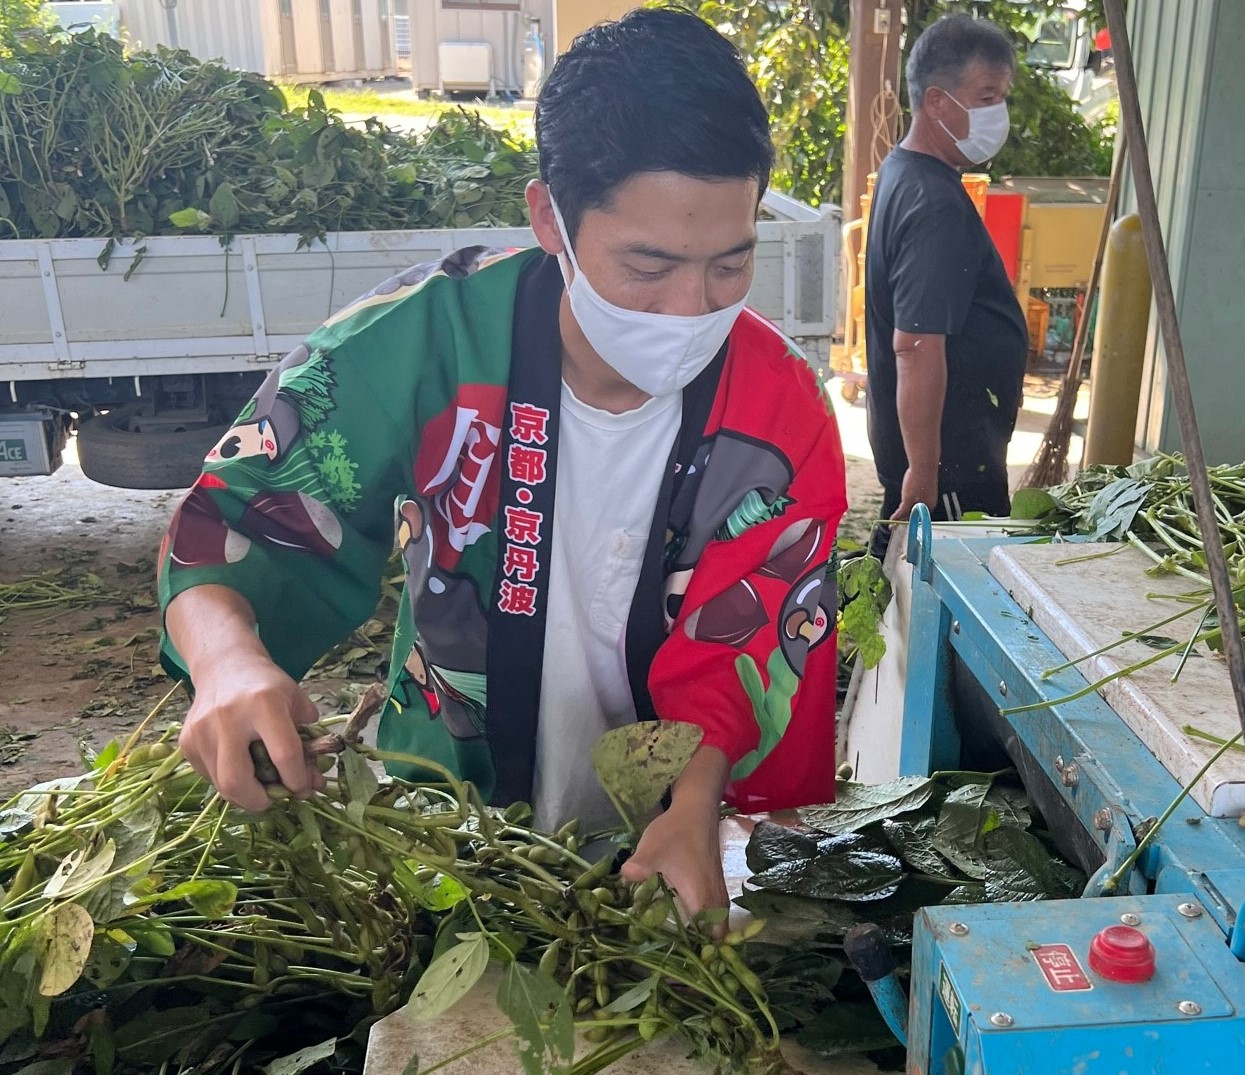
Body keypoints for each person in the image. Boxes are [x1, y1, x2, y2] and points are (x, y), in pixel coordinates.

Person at [156, 7, 847, 920]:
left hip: (664, 851)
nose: (690, 309)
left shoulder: (780, 409)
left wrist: (694, 802)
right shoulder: (428, 337)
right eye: (648, 267)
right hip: (442, 828)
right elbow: (238, 509)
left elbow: (749, 648)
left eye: (729, 265)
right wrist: (227, 660)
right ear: (549, 218)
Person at [864, 15, 1028, 552]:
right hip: (951, 463)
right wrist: (923, 470)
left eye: (1002, 97)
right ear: (937, 102)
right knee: (949, 581)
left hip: (948, 452)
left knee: (902, 575)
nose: (998, 113)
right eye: (986, 97)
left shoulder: (904, 171)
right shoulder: (933, 204)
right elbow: (915, 346)